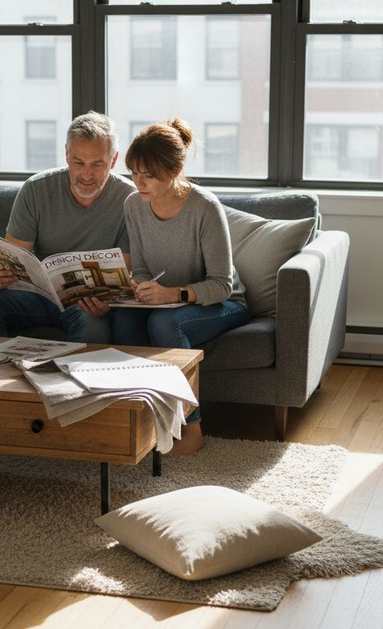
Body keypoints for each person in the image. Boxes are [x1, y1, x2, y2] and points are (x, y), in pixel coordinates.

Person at [86, 119, 248, 455]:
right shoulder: (134, 205)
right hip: (165, 301)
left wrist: (174, 295)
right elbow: (143, 265)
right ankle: (143, 421)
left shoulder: (204, 207)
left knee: (164, 322)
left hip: (222, 303)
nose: (138, 183)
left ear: (174, 170)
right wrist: (140, 286)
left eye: (148, 175)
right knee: (123, 320)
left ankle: (191, 428)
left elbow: (222, 284)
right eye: (134, 173)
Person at [0, 112, 136, 342]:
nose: (86, 174)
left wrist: (108, 303)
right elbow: (14, 256)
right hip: (38, 294)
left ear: (113, 160)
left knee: (94, 326)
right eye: (78, 163)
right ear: (66, 154)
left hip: (86, 303)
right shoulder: (36, 189)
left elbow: (125, 268)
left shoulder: (130, 200)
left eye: (97, 164)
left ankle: (74, 379)